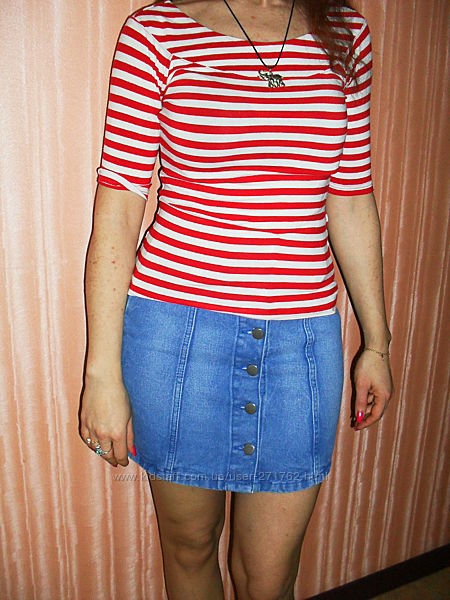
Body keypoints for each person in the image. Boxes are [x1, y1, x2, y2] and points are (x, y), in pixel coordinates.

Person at [80, 0, 394, 598]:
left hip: (300, 344)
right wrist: (102, 374)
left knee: (268, 577)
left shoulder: (345, 32)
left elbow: (352, 196)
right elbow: (118, 208)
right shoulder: (156, 32)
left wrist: (376, 342)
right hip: (178, 336)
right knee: (190, 547)